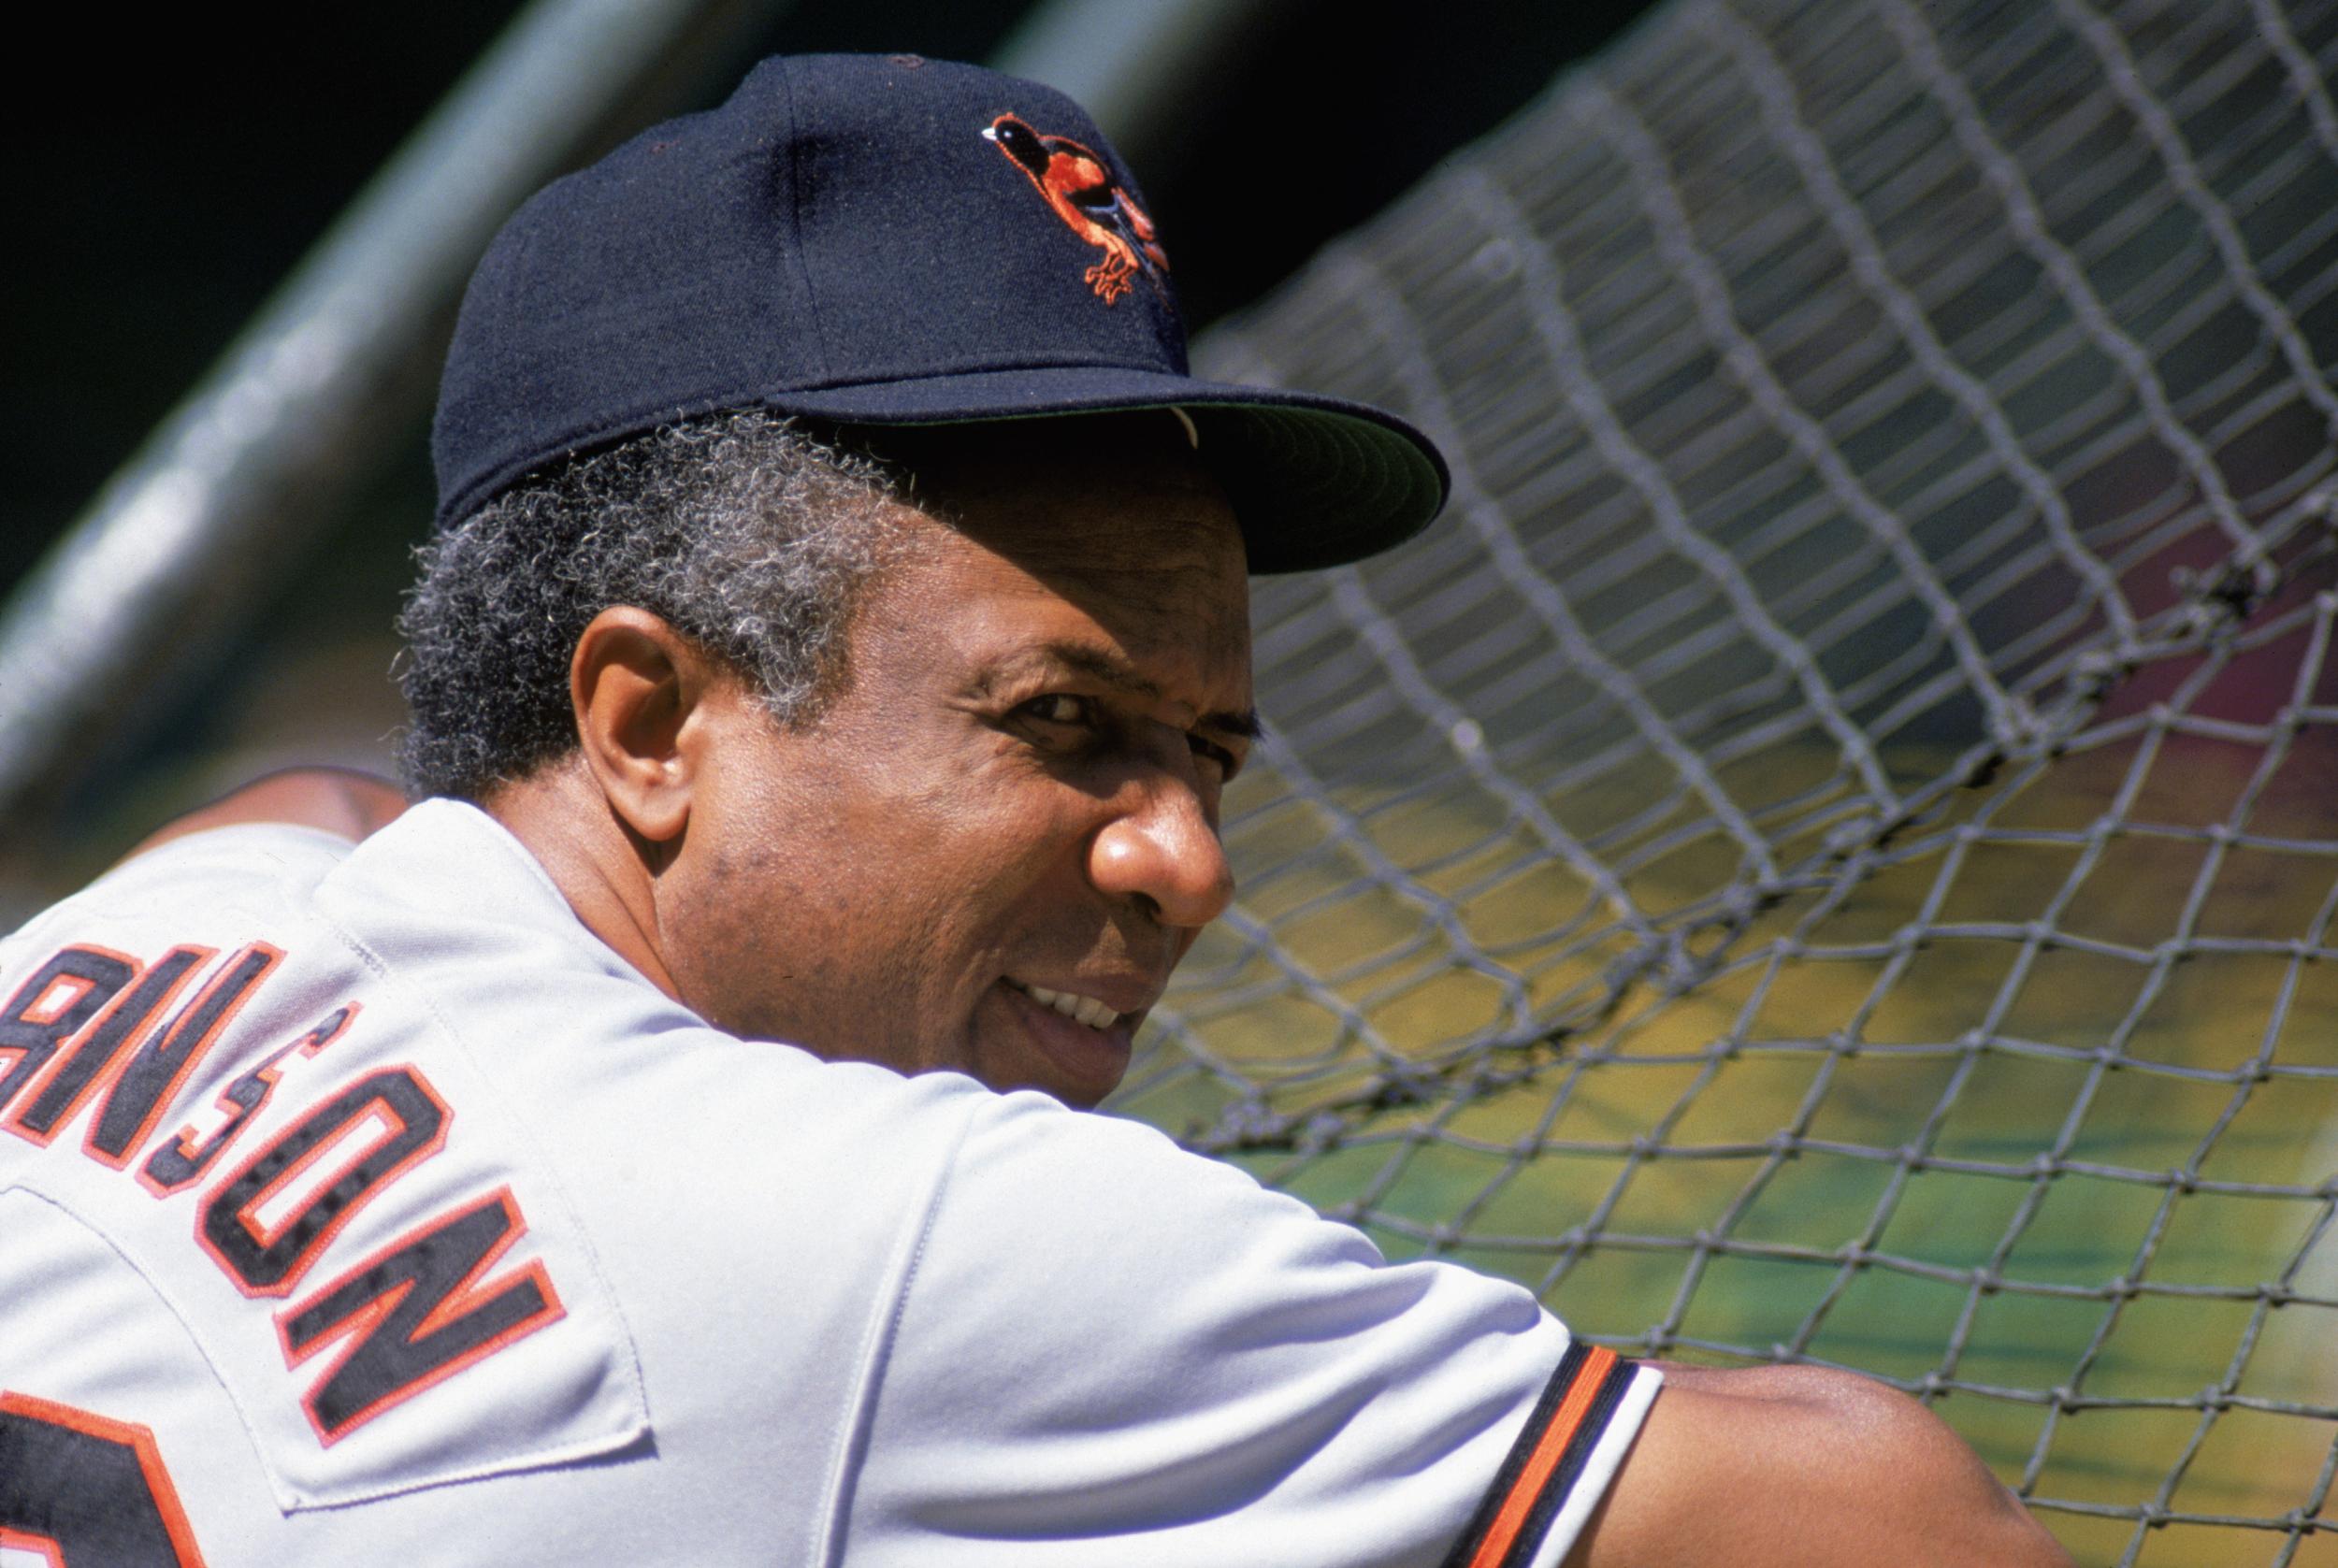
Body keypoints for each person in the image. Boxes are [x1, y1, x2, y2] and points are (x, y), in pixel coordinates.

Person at [0, 53, 2069, 1567]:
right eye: (1064, 720)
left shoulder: (139, 942)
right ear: (645, 717)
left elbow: (311, 803)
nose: (1187, 859)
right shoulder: (908, 1234)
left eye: (1209, 753)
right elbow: (1885, 1511)